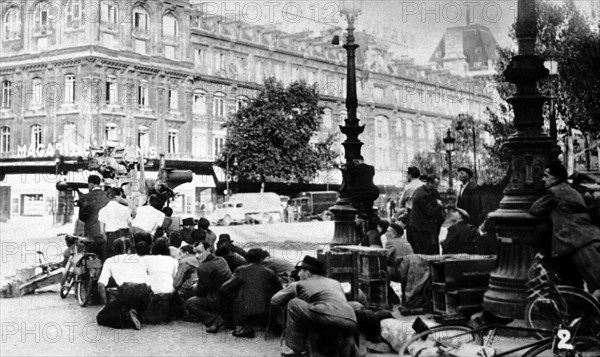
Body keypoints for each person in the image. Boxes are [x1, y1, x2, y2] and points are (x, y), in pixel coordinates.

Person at [529, 163, 600, 298]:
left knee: (596, 285)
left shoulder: (555, 192)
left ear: (555, 178)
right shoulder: (572, 191)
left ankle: (587, 315)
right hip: (590, 237)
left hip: (578, 243)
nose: (543, 179)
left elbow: (535, 209)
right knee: (591, 284)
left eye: (546, 176)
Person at [271, 256, 358, 357]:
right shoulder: (335, 283)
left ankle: (296, 349)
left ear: (308, 272)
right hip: (351, 319)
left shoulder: (298, 284)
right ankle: (352, 347)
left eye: (301, 271)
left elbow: (275, 300)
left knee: (293, 303)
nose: (298, 274)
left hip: (327, 317)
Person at [221, 248, 283, 338]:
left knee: (237, 293)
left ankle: (243, 326)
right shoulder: (269, 272)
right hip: (267, 310)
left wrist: (235, 295)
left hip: (247, 309)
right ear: (261, 259)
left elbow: (224, 288)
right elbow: (279, 290)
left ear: (246, 259)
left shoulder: (241, 270)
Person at [97, 238, 152, 330]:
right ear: (130, 249)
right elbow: (149, 285)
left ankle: (127, 314)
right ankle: (135, 312)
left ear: (114, 250)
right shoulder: (140, 259)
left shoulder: (110, 261)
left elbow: (101, 285)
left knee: (101, 317)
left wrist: (106, 305)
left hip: (126, 291)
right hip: (142, 291)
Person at [183, 242, 232, 332]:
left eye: (199, 252)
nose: (197, 256)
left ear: (208, 250)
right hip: (230, 296)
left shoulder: (203, 268)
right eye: (195, 253)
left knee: (190, 303)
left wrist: (195, 286)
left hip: (218, 299)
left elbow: (201, 292)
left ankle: (214, 320)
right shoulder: (221, 259)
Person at [409, 175, 444, 255]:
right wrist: (439, 205)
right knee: (426, 252)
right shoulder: (423, 195)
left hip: (422, 228)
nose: (437, 186)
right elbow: (430, 211)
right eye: (436, 184)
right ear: (429, 183)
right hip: (423, 229)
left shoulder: (422, 191)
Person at [78, 174, 110, 261]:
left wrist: (89, 220)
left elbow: (81, 217)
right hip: (105, 232)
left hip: (91, 233)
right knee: (105, 258)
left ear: (91, 184)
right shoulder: (108, 196)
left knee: (90, 259)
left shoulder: (85, 197)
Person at [98, 187, 132, 259]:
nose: (121, 198)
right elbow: (130, 226)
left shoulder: (102, 210)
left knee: (113, 259)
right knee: (125, 258)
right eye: (120, 196)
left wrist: (108, 240)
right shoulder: (125, 209)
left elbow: (101, 231)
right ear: (116, 197)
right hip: (124, 235)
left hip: (111, 237)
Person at [398, 166, 425, 247]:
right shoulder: (424, 185)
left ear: (409, 175)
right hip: (424, 214)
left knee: (412, 237)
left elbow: (401, 202)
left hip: (412, 213)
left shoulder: (409, 187)